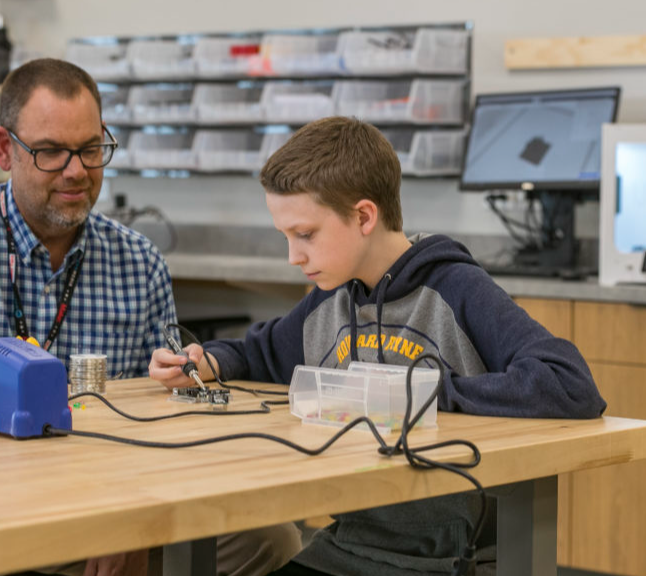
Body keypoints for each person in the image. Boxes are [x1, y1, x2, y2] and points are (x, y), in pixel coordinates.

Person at [0, 58, 300, 576]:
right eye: (50, 153)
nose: (77, 171)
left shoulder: (138, 262)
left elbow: (166, 419)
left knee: (267, 539)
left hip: (106, 499)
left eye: (91, 149)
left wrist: (137, 519)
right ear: (5, 149)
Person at [148, 116, 607, 576]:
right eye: (285, 237)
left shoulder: (456, 288)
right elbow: (260, 353)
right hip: (348, 548)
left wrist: (424, 396)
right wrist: (204, 362)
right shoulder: (331, 297)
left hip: (447, 560)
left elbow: (569, 383)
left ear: (365, 216)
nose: (293, 256)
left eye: (305, 234)